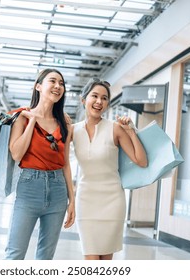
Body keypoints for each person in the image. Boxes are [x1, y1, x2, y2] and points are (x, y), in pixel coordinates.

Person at [71, 78, 147, 260]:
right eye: (94, 96)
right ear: (84, 100)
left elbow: (141, 161)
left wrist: (130, 131)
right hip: (86, 200)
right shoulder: (72, 130)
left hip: (112, 201)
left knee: (105, 262)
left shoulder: (115, 129)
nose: (99, 101)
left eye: (104, 98)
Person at [4, 68, 75, 260]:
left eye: (61, 84)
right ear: (38, 86)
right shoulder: (22, 117)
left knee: (45, 257)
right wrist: (33, 121)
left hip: (58, 190)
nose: (58, 86)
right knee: (14, 253)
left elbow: (66, 164)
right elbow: (17, 153)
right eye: (52, 81)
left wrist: (72, 201)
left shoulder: (65, 123)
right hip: (29, 188)